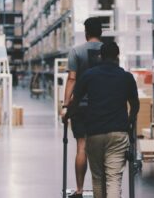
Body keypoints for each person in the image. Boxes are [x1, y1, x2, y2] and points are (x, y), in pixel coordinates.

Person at [68, 42, 140, 198]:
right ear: (117, 56)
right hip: (118, 133)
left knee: (98, 178)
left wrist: (67, 115)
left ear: (101, 56)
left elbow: (75, 101)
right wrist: (128, 122)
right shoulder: (127, 77)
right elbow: (135, 105)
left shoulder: (89, 75)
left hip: (94, 133)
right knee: (114, 179)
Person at [62, 17, 103, 198]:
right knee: (101, 148)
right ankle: (100, 190)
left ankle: (79, 190)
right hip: (101, 106)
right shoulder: (108, 51)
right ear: (101, 32)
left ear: (86, 32)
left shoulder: (76, 51)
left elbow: (71, 78)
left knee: (81, 147)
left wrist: (65, 105)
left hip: (80, 106)